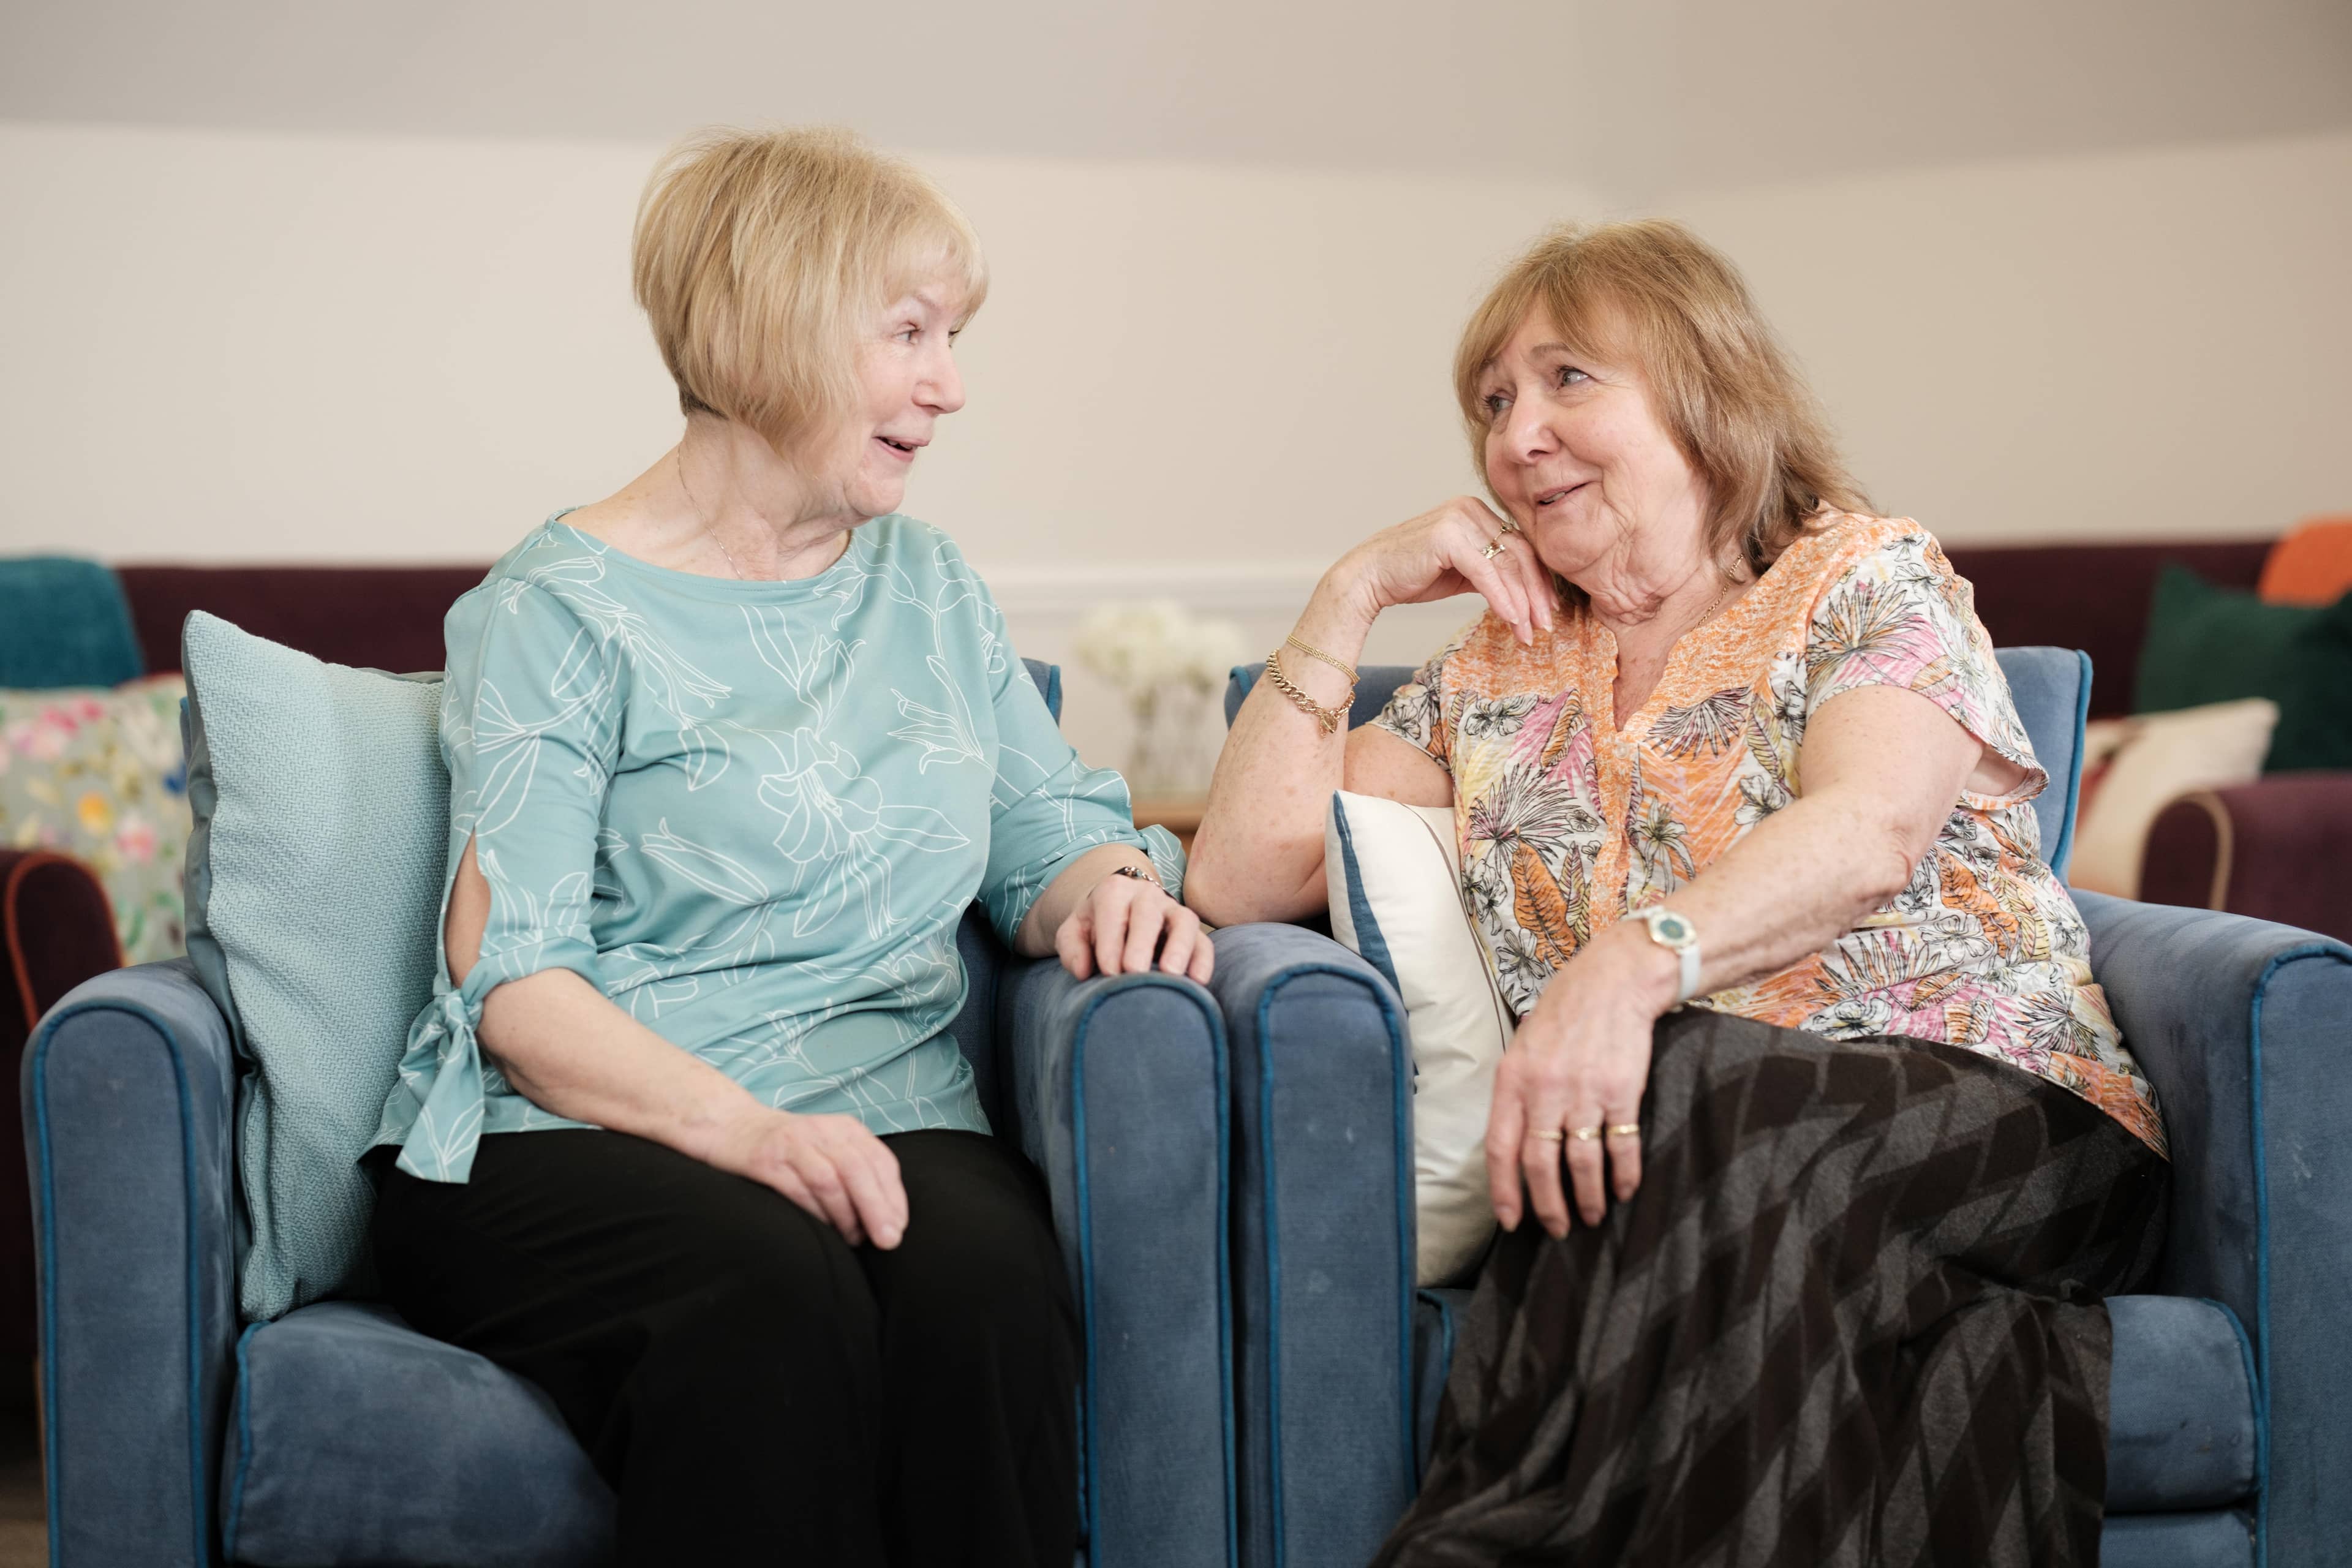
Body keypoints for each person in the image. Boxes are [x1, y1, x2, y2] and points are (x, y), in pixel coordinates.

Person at [1185, 219, 2166, 1567]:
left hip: (2012, 1113)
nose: (1517, 432)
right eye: (1492, 401)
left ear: (1709, 390)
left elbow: (1871, 826)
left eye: (1568, 379)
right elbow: (1241, 875)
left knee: (1688, 1062)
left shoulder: (1859, 574)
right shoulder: (1495, 669)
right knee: (1720, 1119)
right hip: (1696, 1155)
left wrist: (1624, 971)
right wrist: (1345, 601)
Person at [366, 126, 1210, 1567]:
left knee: (984, 1291)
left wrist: (1114, 887)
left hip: (888, 1095)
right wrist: (752, 1135)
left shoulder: (929, 583)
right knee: (766, 1284)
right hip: (579, 1126)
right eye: (911, 332)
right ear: (781, 331)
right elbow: (515, 985)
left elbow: (1041, 828)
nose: (950, 383)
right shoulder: (559, 610)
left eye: (953, 335)